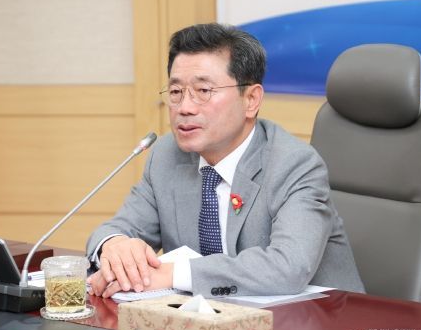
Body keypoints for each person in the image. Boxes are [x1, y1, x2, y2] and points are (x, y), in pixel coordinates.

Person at [86, 23, 364, 298]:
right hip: (212, 320)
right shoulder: (166, 155)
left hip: (322, 320)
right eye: (176, 92)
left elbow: (289, 266)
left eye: (203, 91)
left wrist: (173, 274)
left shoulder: (294, 165)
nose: (184, 108)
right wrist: (115, 246)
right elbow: (117, 228)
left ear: (251, 99)